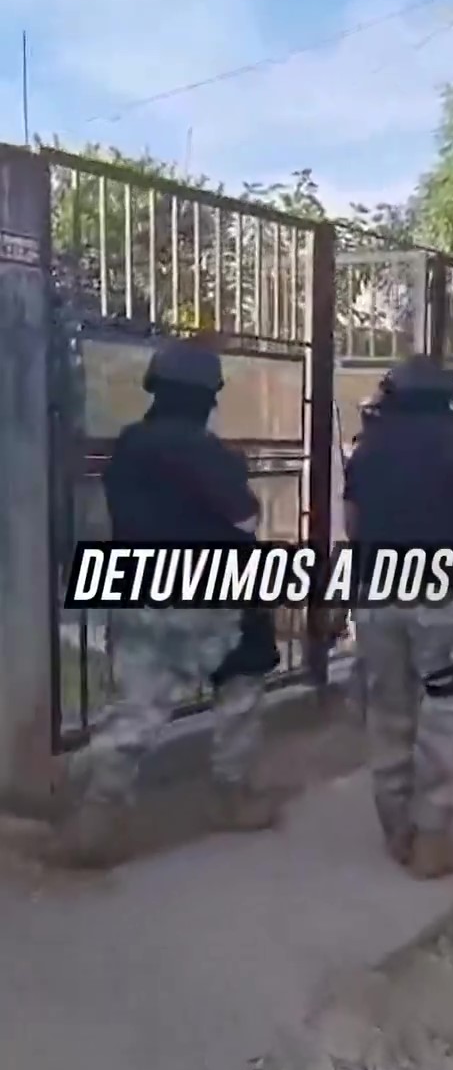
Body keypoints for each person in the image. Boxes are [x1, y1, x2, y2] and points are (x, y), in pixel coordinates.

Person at [60, 342, 280, 867]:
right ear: (208, 396)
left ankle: (96, 817)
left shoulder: (129, 445)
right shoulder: (206, 451)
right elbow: (245, 519)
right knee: (240, 688)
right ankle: (230, 797)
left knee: (137, 708)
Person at [343, 354, 453, 879]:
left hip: (377, 593)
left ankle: (397, 828)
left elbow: (352, 524)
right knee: (445, 707)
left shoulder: (367, 448)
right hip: (440, 594)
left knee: (389, 709)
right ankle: (432, 834)